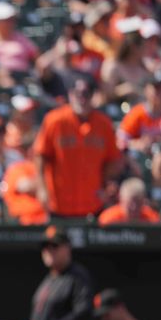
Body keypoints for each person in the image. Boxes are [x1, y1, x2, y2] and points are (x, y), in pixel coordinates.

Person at [33, 73, 122, 218]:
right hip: (58, 203)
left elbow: (112, 160)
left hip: (92, 204)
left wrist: (106, 186)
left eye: (86, 94)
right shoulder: (55, 120)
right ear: (70, 94)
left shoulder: (104, 124)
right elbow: (40, 156)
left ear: (94, 96)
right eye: (77, 93)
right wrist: (42, 189)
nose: (82, 99)